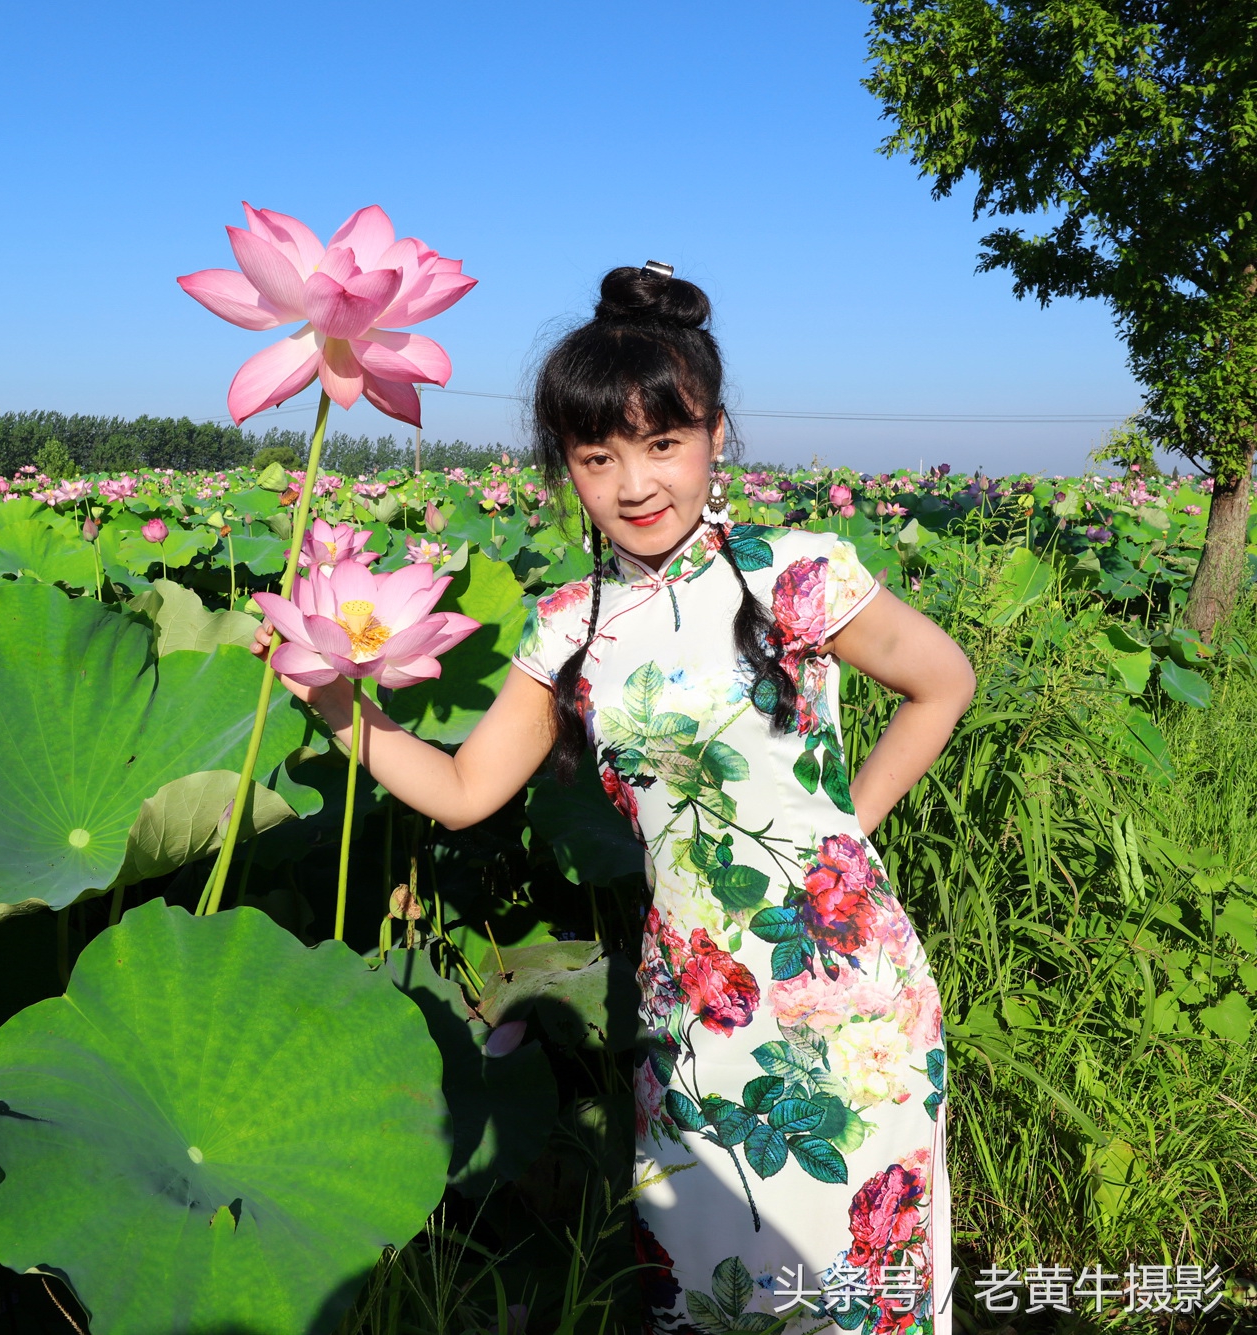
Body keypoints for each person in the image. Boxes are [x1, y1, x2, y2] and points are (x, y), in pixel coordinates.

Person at [259, 265, 975, 1333]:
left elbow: (941, 680)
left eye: (662, 444)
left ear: (714, 437)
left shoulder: (798, 574)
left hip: (849, 1000)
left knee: (854, 1289)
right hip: (688, 1006)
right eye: (598, 458)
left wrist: (839, 837)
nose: (635, 483)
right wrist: (335, 712)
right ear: (566, 470)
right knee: (708, 1287)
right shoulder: (568, 624)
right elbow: (460, 793)